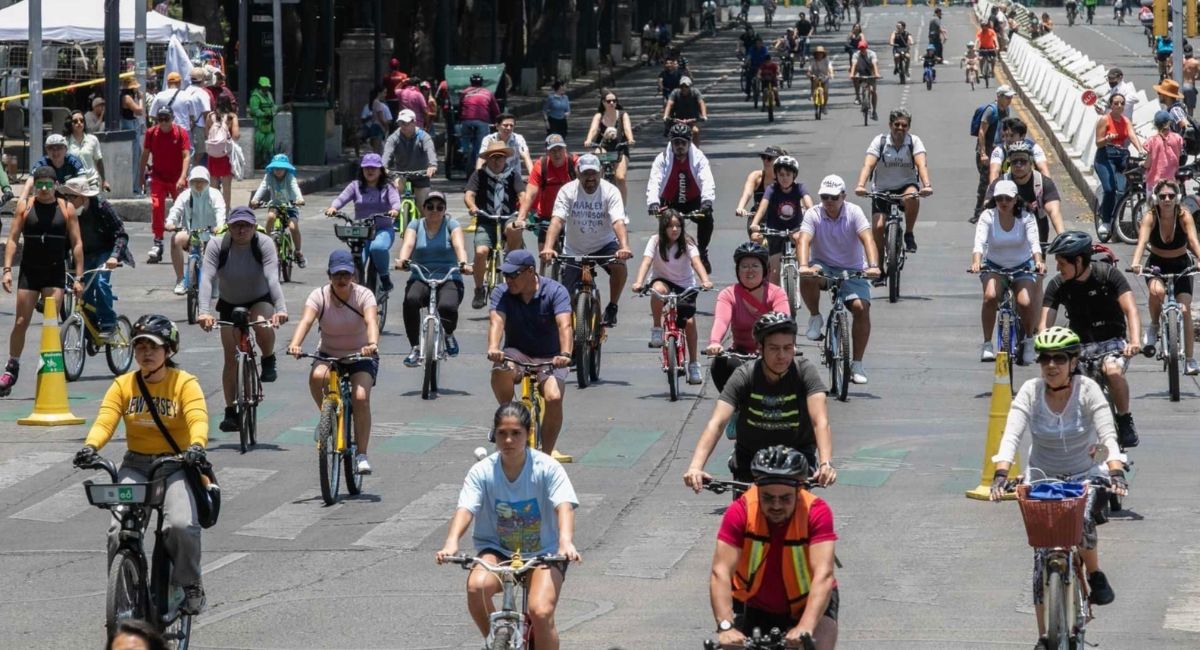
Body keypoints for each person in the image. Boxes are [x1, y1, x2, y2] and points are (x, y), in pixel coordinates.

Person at [989, 327, 1127, 644]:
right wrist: (1000, 473)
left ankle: (1094, 574)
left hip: (1085, 472)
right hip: (1042, 477)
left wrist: (1115, 470)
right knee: (1041, 558)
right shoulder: (1030, 391)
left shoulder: (1088, 390)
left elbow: (1107, 438)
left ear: (1073, 361)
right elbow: (1011, 434)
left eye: (1059, 359)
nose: (1051, 366)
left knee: (1083, 521)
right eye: (1045, 359)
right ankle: (1043, 637)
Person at [73, 315, 208, 614]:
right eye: (140, 346)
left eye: (154, 347)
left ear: (169, 350)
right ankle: (123, 597)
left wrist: (196, 446)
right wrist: (90, 447)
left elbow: (198, 418)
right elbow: (105, 421)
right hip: (136, 466)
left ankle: (190, 584)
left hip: (174, 466)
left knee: (181, 525)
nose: (146, 353)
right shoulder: (123, 384)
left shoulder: (185, 384)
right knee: (116, 531)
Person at [435, 401, 581, 649]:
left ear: (528, 434)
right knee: (476, 588)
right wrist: (451, 543)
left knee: (540, 612)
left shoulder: (547, 468)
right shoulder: (482, 471)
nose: (509, 440)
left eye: (516, 433)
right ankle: (496, 641)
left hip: (545, 554)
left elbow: (563, 506)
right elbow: (466, 508)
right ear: (495, 434)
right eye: (502, 433)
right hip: (497, 551)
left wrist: (565, 542)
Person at [708, 446, 839, 650]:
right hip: (759, 605)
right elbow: (721, 572)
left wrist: (805, 626)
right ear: (757, 490)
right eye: (768, 497)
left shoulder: (817, 511)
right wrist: (725, 627)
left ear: (799, 490)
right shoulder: (740, 511)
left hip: (810, 604)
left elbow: (824, 574)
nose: (776, 505)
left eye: (785, 498)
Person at [685, 312, 835, 486]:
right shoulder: (744, 375)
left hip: (797, 457)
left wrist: (826, 464)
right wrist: (695, 467)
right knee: (743, 511)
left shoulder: (805, 372)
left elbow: (820, 421)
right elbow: (716, 423)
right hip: (750, 458)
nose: (782, 356)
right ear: (760, 348)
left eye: (788, 348)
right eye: (774, 348)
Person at [1041, 231, 1141, 448]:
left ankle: (1124, 420)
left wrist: (1134, 341)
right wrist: (1042, 344)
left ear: (1078, 261)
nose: (1058, 268)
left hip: (1113, 342)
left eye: (1061, 263)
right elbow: (1044, 325)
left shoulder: (1108, 275)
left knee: (1113, 370)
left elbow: (1131, 309)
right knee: (1065, 384)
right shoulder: (1057, 285)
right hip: (1080, 347)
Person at [287, 250, 380, 475]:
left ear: (353, 276)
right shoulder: (318, 296)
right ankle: (328, 417)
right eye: (337, 274)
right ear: (329, 275)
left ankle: (362, 455)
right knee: (318, 377)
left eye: (346, 275)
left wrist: (372, 343)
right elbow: (307, 320)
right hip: (329, 353)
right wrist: (295, 343)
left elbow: (371, 320)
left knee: (360, 398)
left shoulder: (364, 295)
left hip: (360, 355)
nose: (342, 279)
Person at [196, 206, 288, 432]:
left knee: (261, 324)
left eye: (246, 225)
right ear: (228, 227)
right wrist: (204, 312)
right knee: (230, 357)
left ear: (254, 227)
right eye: (236, 225)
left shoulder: (264, 243)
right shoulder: (217, 245)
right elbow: (207, 279)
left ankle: (268, 358)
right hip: (229, 303)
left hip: (259, 297)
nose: (241, 230)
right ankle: (231, 412)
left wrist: (281, 309)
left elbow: (272, 278)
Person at [0, 167, 85, 396]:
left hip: (55, 273)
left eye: (49, 184)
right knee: (20, 322)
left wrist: (78, 277)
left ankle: (48, 369)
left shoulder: (66, 209)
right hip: (30, 272)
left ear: (55, 185)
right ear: (35, 185)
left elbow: (77, 244)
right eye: (40, 185)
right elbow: (13, 239)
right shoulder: (25, 207)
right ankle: (12, 367)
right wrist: (7, 270)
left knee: (50, 323)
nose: (45, 189)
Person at [487, 250, 574, 461]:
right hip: (518, 352)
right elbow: (497, 322)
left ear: (530, 271)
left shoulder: (555, 291)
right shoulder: (501, 292)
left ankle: (545, 457)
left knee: (553, 397)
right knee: (500, 369)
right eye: (506, 275)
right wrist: (493, 347)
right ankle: (507, 414)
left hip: (552, 356)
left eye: (513, 275)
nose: (509, 280)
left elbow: (565, 325)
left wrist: (565, 353)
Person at [798, 175, 881, 383]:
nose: (829, 202)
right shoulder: (813, 214)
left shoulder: (854, 212)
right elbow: (804, 240)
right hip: (824, 266)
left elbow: (868, 239)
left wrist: (873, 266)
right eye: (824, 197)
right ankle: (815, 316)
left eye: (834, 197)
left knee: (861, 308)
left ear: (843, 196)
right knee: (809, 276)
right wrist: (803, 265)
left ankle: (857, 364)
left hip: (852, 269)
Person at [544, 153, 632, 327]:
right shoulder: (568, 191)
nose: (590, 178)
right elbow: (557, 220)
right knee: (565, 303)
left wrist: (624, 246)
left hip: (604, 245)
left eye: (593, 173)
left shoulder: (610, 191)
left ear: (600, 172)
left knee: (620, 267)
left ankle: (612, 306)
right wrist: (548, 247)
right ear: (578, 173)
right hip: (575, 249)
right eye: (585, 174)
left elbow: (618, 222)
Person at [631, 209, 714, 384]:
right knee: (657, 291)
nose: (674, 230)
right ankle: (656, 329)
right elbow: (646, 262)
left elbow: (696, 262)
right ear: (663, 228)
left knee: (689, 321)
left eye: (678, 226)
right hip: (662, 281)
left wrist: (705, 280)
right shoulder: (655, 241)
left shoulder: (688, 243)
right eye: (670, 226)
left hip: (685, 285)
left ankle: (693, 364)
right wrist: (638, 282)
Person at [1128, 179, 1200, 374]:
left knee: (1184, 309)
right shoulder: (1150, 217)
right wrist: (1136, 263)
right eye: (1162, 196)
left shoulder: (1184, 216)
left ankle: (1191, 359)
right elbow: (1142, 242)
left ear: (1176, 198)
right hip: (1157, 265)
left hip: (1182, 265)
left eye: (1170, 196)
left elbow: (1193, 241)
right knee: (1156, 291)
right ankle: (1153, 325)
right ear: (1156, 198)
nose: (1166, 200)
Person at [971, 179, 1045, 364]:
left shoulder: (1026, 217)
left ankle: (1028, 339)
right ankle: (987, 343)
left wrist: (1038, 262)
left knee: (1025, 302)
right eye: (999, 198)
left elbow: (1034, 242)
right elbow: (979, 242)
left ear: (1015, 200)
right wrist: (976, 262)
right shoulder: (988, 216)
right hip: (995, 266)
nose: (1003, 202)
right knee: (989, 297)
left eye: (1007, 198)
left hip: (1022, 266)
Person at [394, 190, 472, 365]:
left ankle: (449, 334)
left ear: (445, 209)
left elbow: (459, 245)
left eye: (439, 207)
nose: (434, 210)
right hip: (420, 274)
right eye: (430, 206)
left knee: (447, 307)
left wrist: (463, 263)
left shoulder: (452, 224)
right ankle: (415, 347)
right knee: (411, 300)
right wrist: (403, 260)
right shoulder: (415, 224)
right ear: (423, 208)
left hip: (448, 276)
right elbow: (408, 244)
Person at [707, 242, 791, 392]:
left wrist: (787, 345)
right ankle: (734, 407)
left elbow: (784, 322)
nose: (749, 270)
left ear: (765, 270)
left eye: (755, 266)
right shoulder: (728, 294)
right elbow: (721, 320)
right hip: (740, 353)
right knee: (721, 364)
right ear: (738, 271)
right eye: (744, 266)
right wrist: (715, 342)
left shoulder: (776, 293)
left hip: (771, 352)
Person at [854, 108, 933, 266]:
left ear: (908, 127)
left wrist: (927, 185)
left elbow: (921, 164)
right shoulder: (880, 141)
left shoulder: (913, 142)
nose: (900, 128)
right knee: (878, 227)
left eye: (904, 125)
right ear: (890, 125)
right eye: (897, 124)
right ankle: (879, 267)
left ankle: (909, 234)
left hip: (905, 186)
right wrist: (861, 185)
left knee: (912, 196)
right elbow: (868, 164)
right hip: (882, 190)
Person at [59, 177, 134, 337]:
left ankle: (108, 323)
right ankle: (91, 325)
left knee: (100, 283)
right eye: (67, 197)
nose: (69, 200)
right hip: (84, 254)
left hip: (105, 252)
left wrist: (114, 257)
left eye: (73, 197)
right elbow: (64, 241)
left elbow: (121, 234)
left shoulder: (101, 206)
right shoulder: (65, 211)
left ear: (84, 197)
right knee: (82, 289)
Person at [326, 153, 402, 292]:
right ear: (362, 170)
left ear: (381, 170)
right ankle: (355, 288)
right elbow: (341, 198)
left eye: (374, 168)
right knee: (356, 258)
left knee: (377, 248)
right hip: (362, 232)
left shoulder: (388, 187)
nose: (370, 171)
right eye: (366, 168)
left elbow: (396, 201)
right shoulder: (355, 186)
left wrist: (394, 210)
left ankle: (385, 278)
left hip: (382, 230)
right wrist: (333, 207)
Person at [466, 141, 527, 308]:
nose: (496, 161)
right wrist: (473, 207)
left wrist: (521, 216)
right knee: (481, 252)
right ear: (487, 159)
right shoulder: (479, 175)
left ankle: (511, 260)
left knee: (513, 228)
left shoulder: (513, 175)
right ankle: (479, 289)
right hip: (486, 219)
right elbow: (469, 195)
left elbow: (523, 196)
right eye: (493, 157)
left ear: (505, 158)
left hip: (507, 216)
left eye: (500, 157)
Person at [647, 123, 716, 272]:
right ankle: (664, 262)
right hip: (670, 202)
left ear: (689, 142)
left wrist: (707, 202)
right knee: (668, 230)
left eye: (683, 142)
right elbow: (654, 181)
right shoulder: (662, 158)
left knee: (707, 219)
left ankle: (702, 251)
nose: (680, 146)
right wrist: (653, 203)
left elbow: (706, 180)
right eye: (676, 142)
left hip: (693, 200)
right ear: (671, 143)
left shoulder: (699, 158)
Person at [748, 155, 814, 284]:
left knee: (799, 239)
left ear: (794, 175)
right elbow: (762, 207)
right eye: (781, 174)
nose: (784, 178)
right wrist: (755, 223)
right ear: (776, 175)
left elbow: (809, 205)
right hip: (775, 231)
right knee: (774, 272)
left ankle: (803, 269)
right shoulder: (771, 189)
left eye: (788, 174)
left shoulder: (799, 188)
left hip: (795, 228)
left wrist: (815, 218)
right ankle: (775, 300)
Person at [138, 108, 191, 264]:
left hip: (176, 178)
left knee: (184, 208)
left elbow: (186, 156)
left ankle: (187, 237)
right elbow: (145, 154)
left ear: (172, 118)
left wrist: (183, 177)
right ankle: (158, 241)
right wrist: (141, 176)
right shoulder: (151, 133)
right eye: (160, 119)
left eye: (166, 119)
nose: (163, 122)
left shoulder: (180, 133)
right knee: (157, 206)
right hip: (158, 176)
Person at [516, 134, 579, 259]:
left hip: (573, 214)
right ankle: (546, 275)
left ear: (565, 150)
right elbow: (530, 195)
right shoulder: (541, 166)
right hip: (547, 215)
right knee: (544, 253)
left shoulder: (575, 163)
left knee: (579, 253)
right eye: (553, 150)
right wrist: (521, 218)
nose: (557, 154)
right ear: (547, 152)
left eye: (560, 149)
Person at [166, 166, 226, 294]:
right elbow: (176, 209)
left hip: (212, 234)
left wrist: (220, 225)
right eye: (195, 181)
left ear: (207, 182)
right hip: (191, 233)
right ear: (190, 182)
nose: (198, 184)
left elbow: (220, 210)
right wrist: (170, 222)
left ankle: (216, 281)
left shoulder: (215, 194)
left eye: (202, 181)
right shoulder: (185, 195)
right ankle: (180, 279)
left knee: (222, 246)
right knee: (175, 239)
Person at [1093, 93, 1144, 240]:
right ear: (1111, 105)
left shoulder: (1125, 120)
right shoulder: (1104, 119)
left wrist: (1140, 150)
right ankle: (1106, 221)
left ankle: (1117, 216)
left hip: (1122, 155)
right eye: (1116, 103)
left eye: (1122, 103)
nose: (1119, 106)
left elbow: (1132, 135)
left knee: (1123, 189)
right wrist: (1106, 139)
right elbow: (1098, 142)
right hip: (1105, 155)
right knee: (1109, 189)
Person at [251, 153, 307, 266]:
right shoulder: (269, 176)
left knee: (293, 227)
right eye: (276, 168)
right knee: (271, 217)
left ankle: (298, 252)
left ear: (286, 169)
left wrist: (299, 199)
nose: (278, 171)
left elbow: (294, 187)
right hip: (275, 204)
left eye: (281, 168)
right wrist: (255, 199)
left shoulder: (290, 177)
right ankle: (265, 243)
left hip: (290, 205)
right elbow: (263, 186)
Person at [583, 89, 636, 202]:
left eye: (614, 101)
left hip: (620, 147)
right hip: (603, 147)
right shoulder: (599, 116)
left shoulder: (623, 114)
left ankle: (622, 208)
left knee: (620, 178)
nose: (612, 103)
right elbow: (593, 129)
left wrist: (630, 139)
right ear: (603, 102)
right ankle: (596, 199)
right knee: (595, 170)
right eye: (609, 101)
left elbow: (627, 129)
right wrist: (588, 140)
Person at [381, 109, 438, 208]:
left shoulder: (423, 136)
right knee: (391, 195)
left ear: (414, 122)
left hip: (421, 176)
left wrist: (432, 165)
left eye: (406, 123)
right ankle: (393, 219)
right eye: (401, 123)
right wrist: (383, 167)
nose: (403, 126)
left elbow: (430, 151)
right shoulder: (393, 138)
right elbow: (387, 153)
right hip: (401, 175)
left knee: (423, 207)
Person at [973, 85, 1015, 220]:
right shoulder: (991, 111)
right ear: (999, 97)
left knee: (1002, 178)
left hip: (1000, 151)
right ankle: (978, 212)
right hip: (987, 152)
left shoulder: (1006, 110)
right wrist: (983, 153)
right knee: (985, 181)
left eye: (1011, 97)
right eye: (1007, 97)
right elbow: (981, 132)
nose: (1010, 100)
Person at [19, 133, 87, 203]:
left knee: (88, 199)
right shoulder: (42, 163)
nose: (55, 152)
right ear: (46, 150)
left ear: (66, 149)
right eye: (51, 148)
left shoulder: (74, 162)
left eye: (59, 147)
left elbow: (84, 182)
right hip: (50, 198)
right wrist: (21, 202)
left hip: (73, 197)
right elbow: (29, 183)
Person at [987, 117, 1053, 185]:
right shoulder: (999, 150)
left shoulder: (1034, 148)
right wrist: (992, 190)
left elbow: (1043, 169)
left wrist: (1049, 188)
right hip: (1007, 188)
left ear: (1022, 136)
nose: (1008, 139)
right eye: (1006, 135)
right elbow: (994, 172)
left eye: (1012, 136)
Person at [204, 95, 239, 208]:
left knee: (213, 185)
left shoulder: (210, 116)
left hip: (213, 154)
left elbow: (206, 134)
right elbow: (236, 135)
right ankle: (226, 212)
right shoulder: (231, 117)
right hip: (225, 154)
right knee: (226, 186)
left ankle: (214, 210)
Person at [475, 112, 534, 179]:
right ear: (497, 126)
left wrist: (533, 177)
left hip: (513, 178)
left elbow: (526, 157)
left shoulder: (518, 139)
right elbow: (481, 158)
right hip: (493, 176)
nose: (509, 128)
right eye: (505, 125)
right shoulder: (488, 139)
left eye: (511, 125)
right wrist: (477, 177)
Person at [735, 146, 787, 221]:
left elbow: (796, 196)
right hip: (759, 220)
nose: (765, 161)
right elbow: (747, 194)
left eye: (769, 158)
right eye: (763, 157)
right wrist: (740, 207)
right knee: (755, 232)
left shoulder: (785, 178)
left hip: (781, 219)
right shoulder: (756, 176)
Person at [459, 74, 501, 163]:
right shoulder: (488, 93)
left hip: (466, 121)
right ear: (482, 82)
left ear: (471, 82)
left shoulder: (465, 92)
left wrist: (461, 118)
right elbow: (495, 110)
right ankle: (480, 159)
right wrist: (497, 121)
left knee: (464, 136)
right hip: (482, 121)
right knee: (482, 142)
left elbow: (460, 107)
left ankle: (464, 150)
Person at [65, 110, 110, 193]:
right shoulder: (65, 142)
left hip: (92, 181)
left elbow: (99, 160)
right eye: (75, 121)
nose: (79, 123)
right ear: (70, 124)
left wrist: (104, 180)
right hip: (73, 182)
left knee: (94, 205)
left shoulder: (93, 139)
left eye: (81, 120)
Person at [1144, 111, 1185, 194]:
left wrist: (1142, 164)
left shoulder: (1152, 141)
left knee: (1152, 206)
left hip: (1155, 183)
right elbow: (1179, 155)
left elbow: (1148, 163)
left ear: (1155, 125)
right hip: (1172, 181)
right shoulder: (1177, 138)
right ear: (1169, 122)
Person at [662, 76, 709, 145]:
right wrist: (665, 116)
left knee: (695, 131)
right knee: (673, 133)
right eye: (682, 86)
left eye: (686, 86)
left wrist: (704, 115)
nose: (684, 88)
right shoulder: (675, 93)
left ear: (690, 87)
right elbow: (669, 104)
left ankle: (696, 150)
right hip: (679, 119)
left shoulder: (695, 92)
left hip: (692, 119)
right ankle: (673, 150)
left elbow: (701, 103)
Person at [119, 76, 145, 193]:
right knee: (134, 158)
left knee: (137, 155)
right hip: (129, 125)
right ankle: (134, 188)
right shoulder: (127, 97)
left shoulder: (125, 96)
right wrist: (140, 99)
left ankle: (135, 185)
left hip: (131, 124)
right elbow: (139, 111)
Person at [183, 67, 212, 161]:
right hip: (199, 128)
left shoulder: (185, 91)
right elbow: (207, 114)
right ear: (202, 79)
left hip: (187, 127)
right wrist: (209, 132)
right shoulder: (202, 93)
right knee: (198, 154)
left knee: (188, 153)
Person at [248, 77, 277, 168]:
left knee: (270, 146)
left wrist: (278, 109)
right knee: (259, 146)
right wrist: (264, 114)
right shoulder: (255, 97)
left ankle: (270, 163)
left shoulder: (269, 95)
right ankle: (257, 164)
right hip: (260, 125)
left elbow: (273, 106)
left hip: (269, 125)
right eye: (264, 87)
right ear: (260, 86)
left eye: (267, 87)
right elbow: (254, 110)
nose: (266, 88)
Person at [850, 41, 879, 120]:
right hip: (861, 73)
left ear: (866, 47)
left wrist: (876, 74)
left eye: (863, 48)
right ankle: (857, 97)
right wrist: (852, 74)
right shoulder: (856, 55)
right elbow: (854, 65)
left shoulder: (872, 54)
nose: (862, 49)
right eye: (860, 48)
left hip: (871, 74)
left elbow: (874, 64)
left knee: (873, 91)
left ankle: (874, 111)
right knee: (855, 79)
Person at [360, 84, 392, 154]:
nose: (385, 95)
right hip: (378, 128)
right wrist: (386, 127)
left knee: (377, 150)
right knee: (377, 151)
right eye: (384, 92)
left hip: (376, 127)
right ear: (379, 93)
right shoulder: (377, 103)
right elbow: (381, 119)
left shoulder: (375, 103)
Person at [807, 46, 834, 116]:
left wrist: (831, 74)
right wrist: (809, 74)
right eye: (818, 53)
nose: (819, 55)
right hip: (815, 77)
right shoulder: (812, 60)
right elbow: (809, 69)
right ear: (815, 54)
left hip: (825, 77)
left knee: (826, 92)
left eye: (821, 53)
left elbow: (830, 67)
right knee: (813, 81)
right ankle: (812, 94)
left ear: (823, 54)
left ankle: (824, 106)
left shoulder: (826, 60)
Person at [746, 37, 772, 102]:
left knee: (765, 78)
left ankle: (765, 91)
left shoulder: (764, 49)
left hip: (762, 67)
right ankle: (748, 93)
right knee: (748, 77)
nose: (758, 44)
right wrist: (746, 63)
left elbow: (767, 57)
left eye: (760, 43)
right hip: (754, 66)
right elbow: (749, 57)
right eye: (757, 43)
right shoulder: (752, 49)